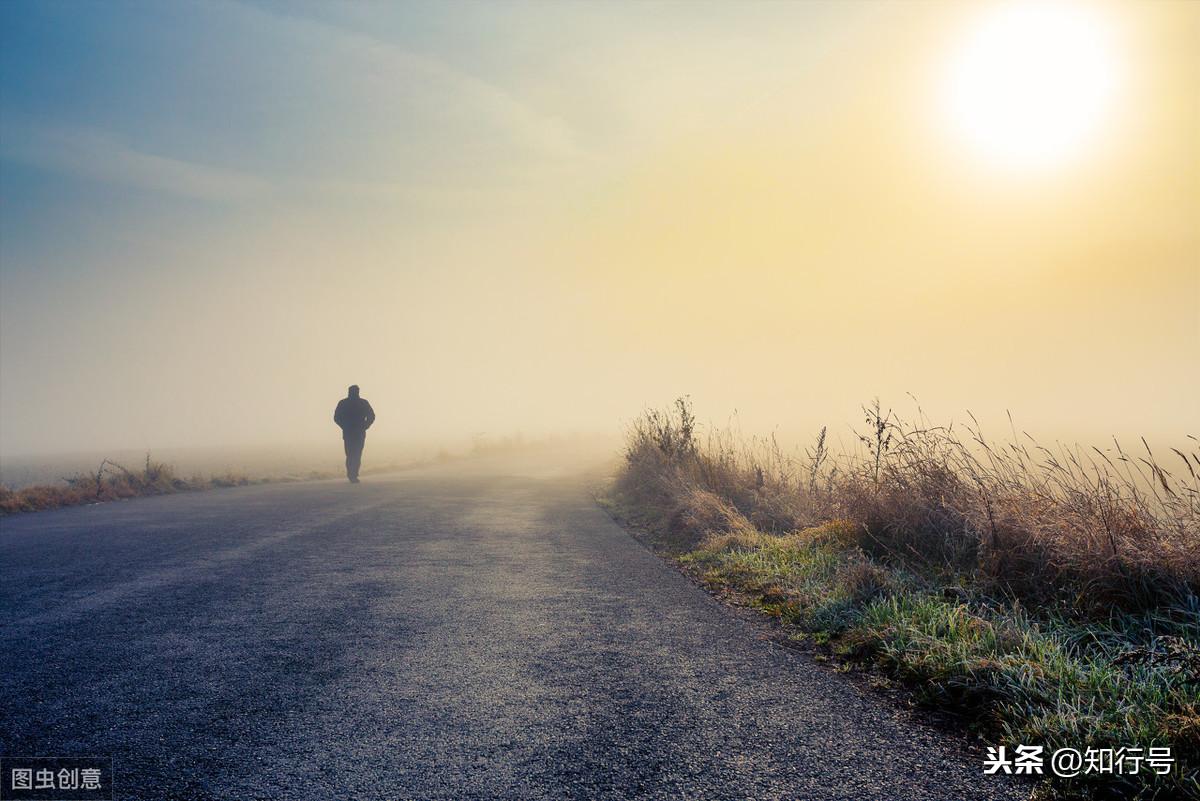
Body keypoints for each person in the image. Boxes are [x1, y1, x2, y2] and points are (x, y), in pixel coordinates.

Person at [333, 385, 375, 483]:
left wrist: (345, 426)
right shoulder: (362, 403)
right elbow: (371, 416)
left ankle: (352, 474)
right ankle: (353, 474)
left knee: (351, 454)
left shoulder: (344, 403)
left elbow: (336, 418)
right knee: (355, 454)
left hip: (351, 432)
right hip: (356, 432)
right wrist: (365, 425)